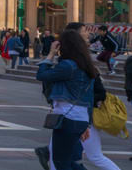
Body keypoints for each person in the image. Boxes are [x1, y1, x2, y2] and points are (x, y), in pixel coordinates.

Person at [35, 29, 97, 170]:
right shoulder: (86, 66)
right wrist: (87, 123)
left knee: (60, 163)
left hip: (67, 118)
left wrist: (50, 54)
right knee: (70, 162)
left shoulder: (68, 66)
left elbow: (42, 75)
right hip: (80, 118)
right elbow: (89, 97)